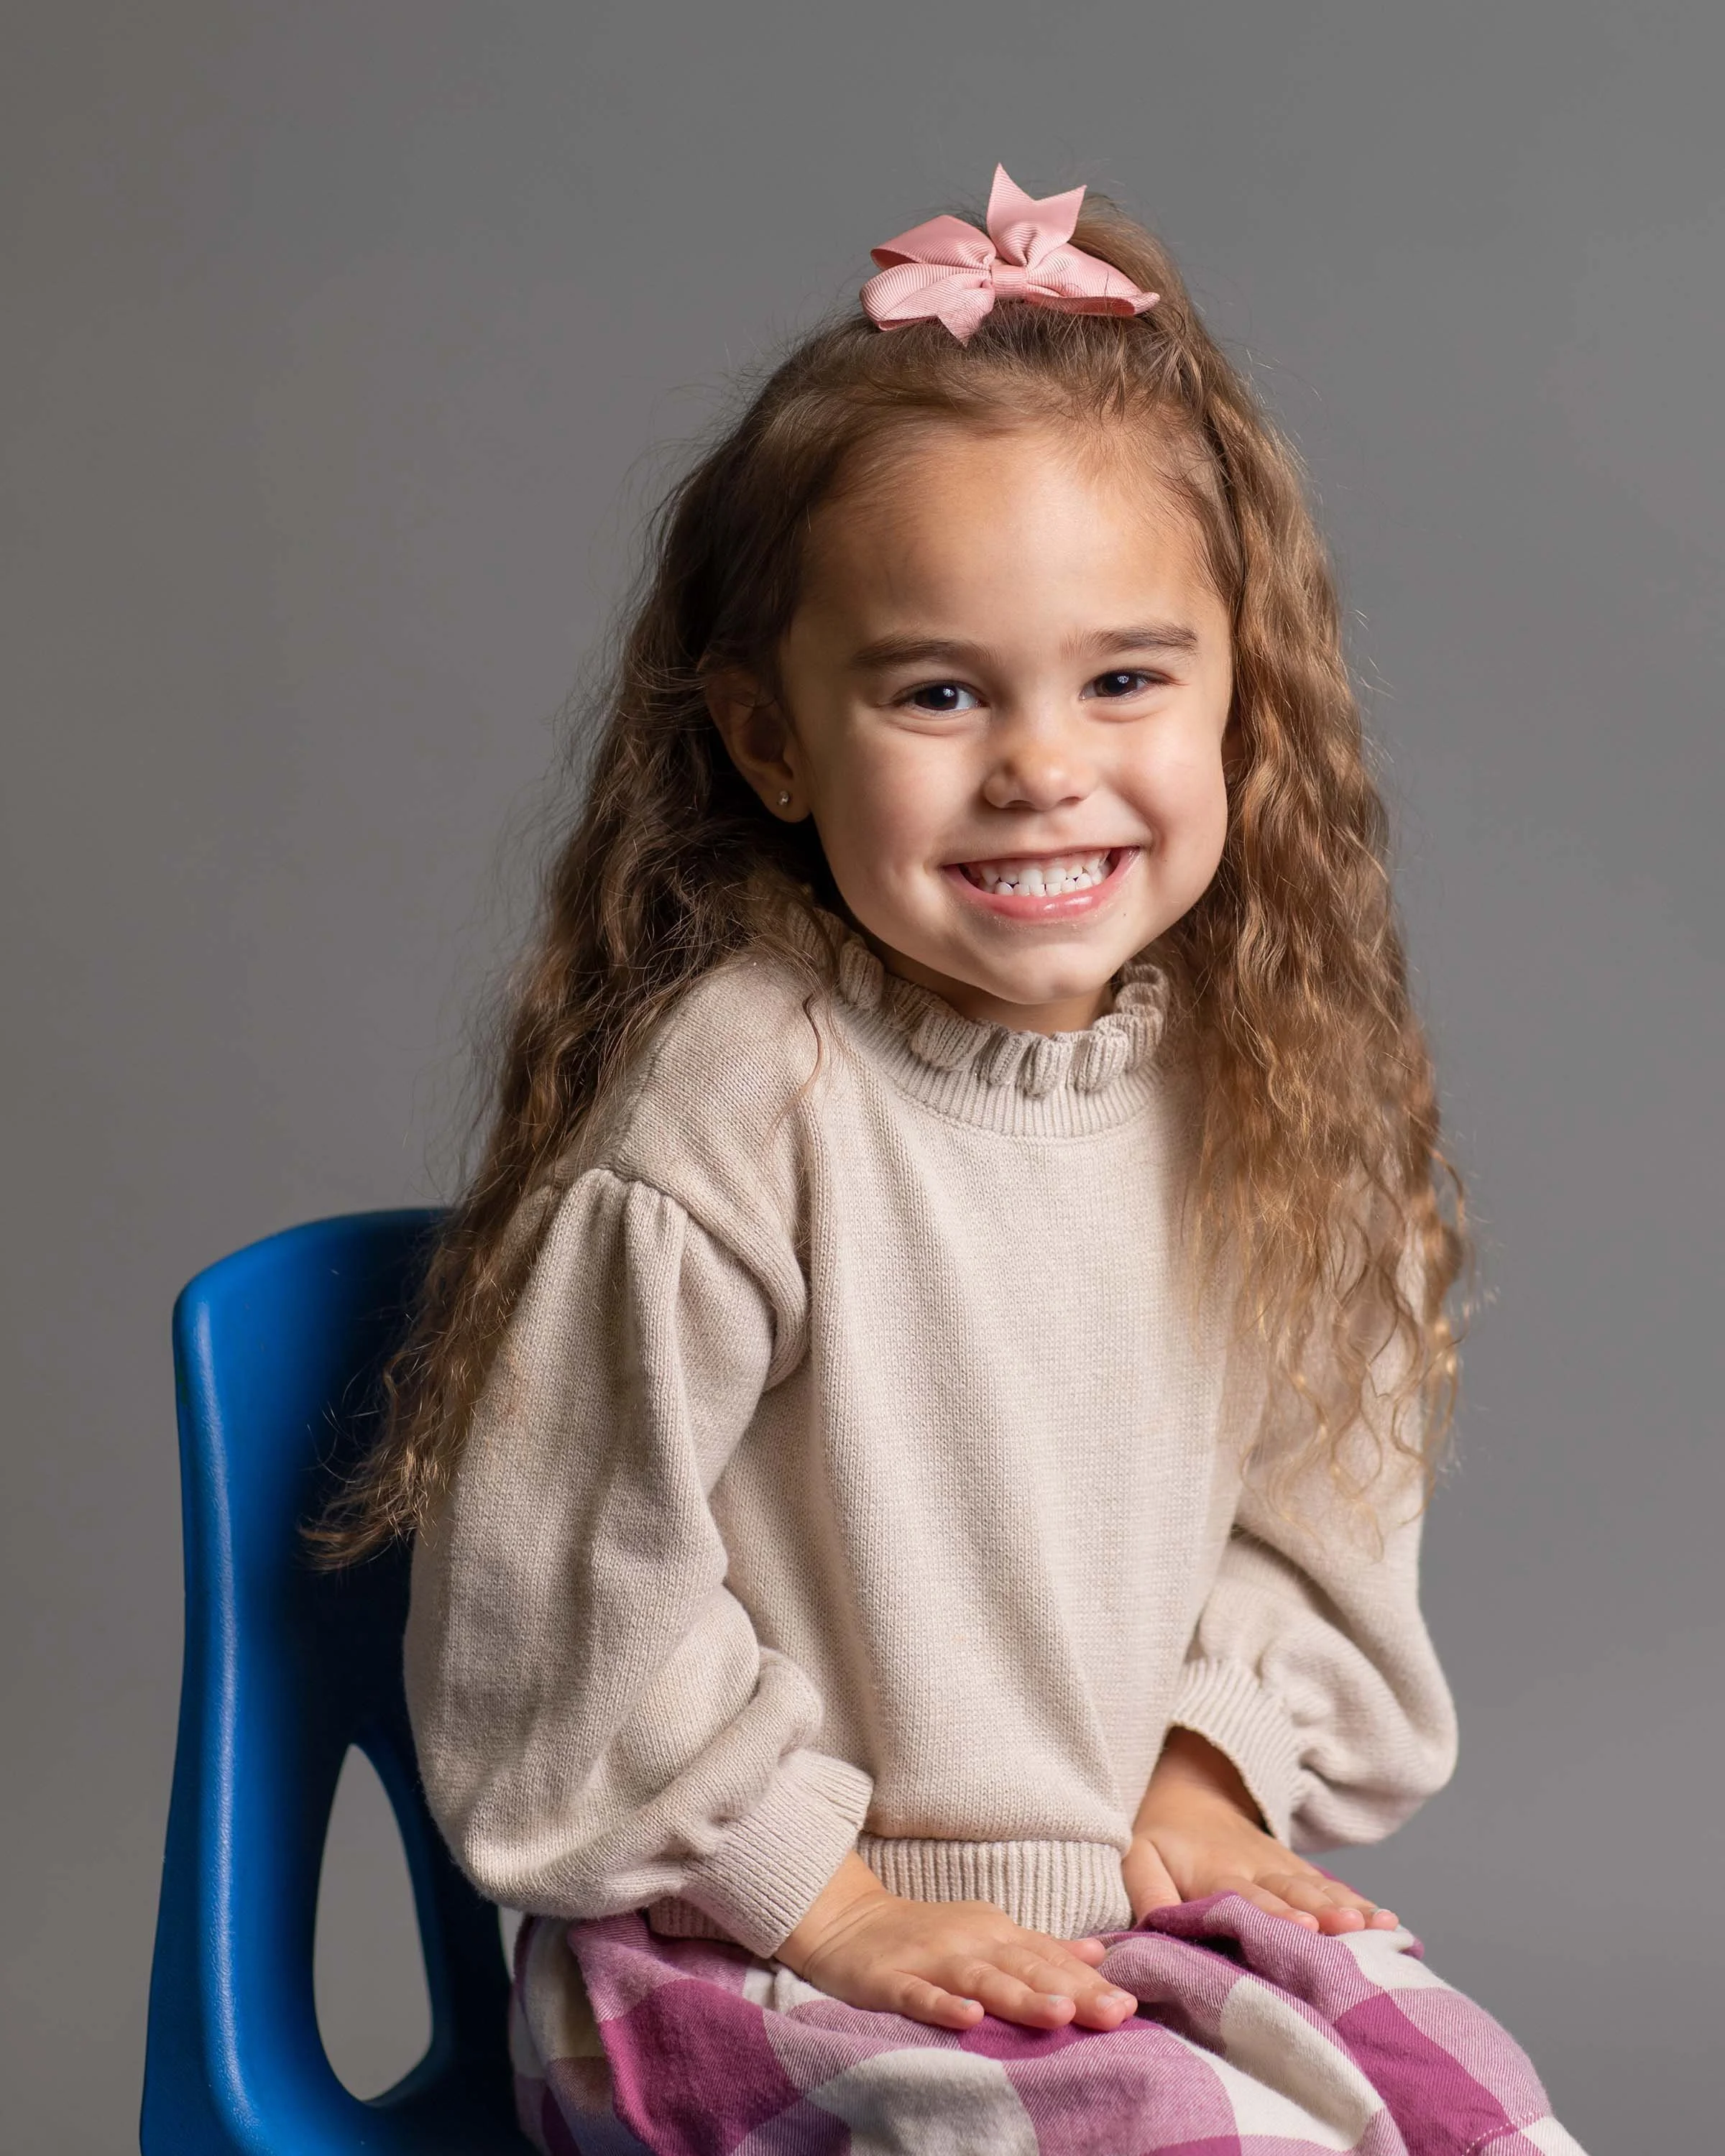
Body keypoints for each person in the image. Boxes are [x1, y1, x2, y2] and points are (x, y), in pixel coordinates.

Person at [318, 166, 1585, 2152]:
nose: (1042, 766)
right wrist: (832, 1901)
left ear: (1244, 696)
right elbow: (563, 1603)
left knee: (1469, 2114)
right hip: (736, 1948)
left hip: (1098, 1898)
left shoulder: (1253, 1074)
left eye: (1127, 677)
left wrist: (1206, 1773)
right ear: (768, 740)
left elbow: (1322, 1475)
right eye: (936, 691)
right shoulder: (746, 1106)